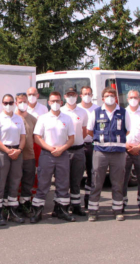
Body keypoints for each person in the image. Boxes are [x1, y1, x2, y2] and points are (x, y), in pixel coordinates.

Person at [31, 91, 76, 223]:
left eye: (57, 101)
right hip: (46, 155)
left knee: (63, 184)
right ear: (49, 103)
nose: (55, 104)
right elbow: (36, 137)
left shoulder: (67, 118)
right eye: (53, 101)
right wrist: (50, 148)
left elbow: (71, 138)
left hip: (62, 154)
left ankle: (61, 211)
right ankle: (38, 212)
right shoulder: (43, 118)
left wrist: (61, 149)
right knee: (43, 184)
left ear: (61, 102)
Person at [87, 87, 131, 222]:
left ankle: (118, 210)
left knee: (117, 182)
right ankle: (93, 211)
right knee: (96, 182)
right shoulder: (96, 112)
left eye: (112, 95)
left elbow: (127, 131)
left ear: (116, 98)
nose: (110, 97)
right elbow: (90, 131)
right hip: (100, 152)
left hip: (118, 153)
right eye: (107, 95)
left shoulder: (123, 112)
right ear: (102, 98)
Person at [0, 94, 26, 225]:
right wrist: (8, 151)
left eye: (11, 102)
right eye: (5, 103)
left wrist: (19, 150)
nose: (8, 105)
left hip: (17, 152)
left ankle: (12, 211)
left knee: (15, 182)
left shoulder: (19, 119)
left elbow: (23, 137)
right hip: (3, 152)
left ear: (15, 103)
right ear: (2, 104)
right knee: (0, 183)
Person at [60, 87, 88, 216]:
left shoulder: (82, 112)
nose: (71, 97)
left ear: (77, 96)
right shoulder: (60, 111)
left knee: (76, 180)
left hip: (79, 150)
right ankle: (63, 206)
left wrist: (77, 141)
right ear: (64, 97)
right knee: (64, 180)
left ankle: (76, 206)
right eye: (68, 95)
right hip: (65, 151)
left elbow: (84, 131)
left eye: (73, 94)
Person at [15, 93, 38, 217]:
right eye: (20, 102)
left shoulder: (33, 119)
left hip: (29, 155)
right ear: (16, 103)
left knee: (28, 182)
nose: (22, 104)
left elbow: (38, 137)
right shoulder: (12, 117)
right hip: (15, 156)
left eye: (24, 101)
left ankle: (25, 204)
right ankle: (13, 205)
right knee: (14, 181)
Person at [78, 85, 99, 209]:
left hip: (92, 145)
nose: (87, 96)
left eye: (89, 93)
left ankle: (88, 199)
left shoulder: (97, 109)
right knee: (77, 174)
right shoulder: (77, 109)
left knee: (92, 174)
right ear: (80, 95)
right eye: (84, 93)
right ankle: (74, 201)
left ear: (92, 95)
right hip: (78, 145)